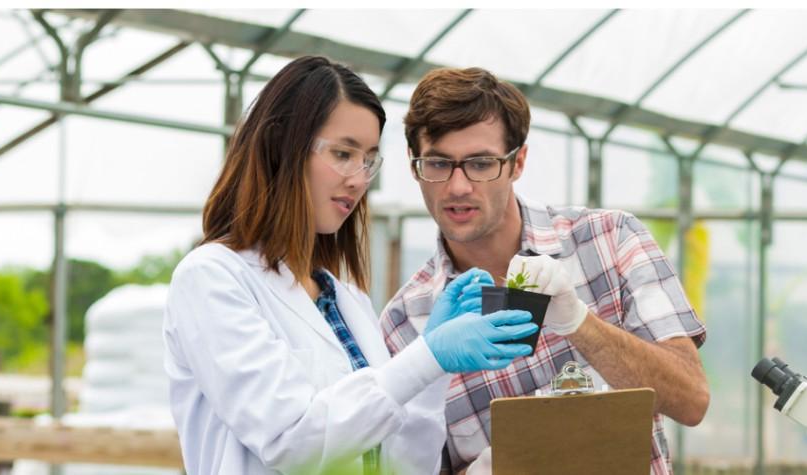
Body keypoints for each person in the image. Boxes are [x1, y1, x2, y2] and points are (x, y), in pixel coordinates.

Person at [162, 56, 537, 474]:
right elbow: (292, 443)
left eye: (368, 160)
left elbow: (404, 466)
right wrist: (428, 356)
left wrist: (431, 380)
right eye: (343, 153)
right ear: (279, 146)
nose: (359, 179)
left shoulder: (348, 300)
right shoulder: (212, 278)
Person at [380, 67, 710, 474]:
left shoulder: (609, 241)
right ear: (415, 166)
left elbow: (691, 399)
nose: (458, 186)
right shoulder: (404, 324)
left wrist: (580, 325)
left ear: (518, 162)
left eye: (481, 164)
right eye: (438, 163)